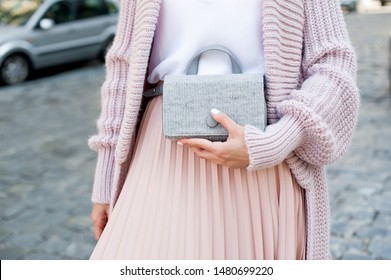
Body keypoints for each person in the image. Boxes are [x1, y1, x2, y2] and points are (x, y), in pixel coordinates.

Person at [88, 0, 359, 260]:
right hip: (162, 155)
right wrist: (105, 179)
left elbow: (333, 63)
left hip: (265, 158)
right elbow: (122, 68)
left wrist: (276, 140)